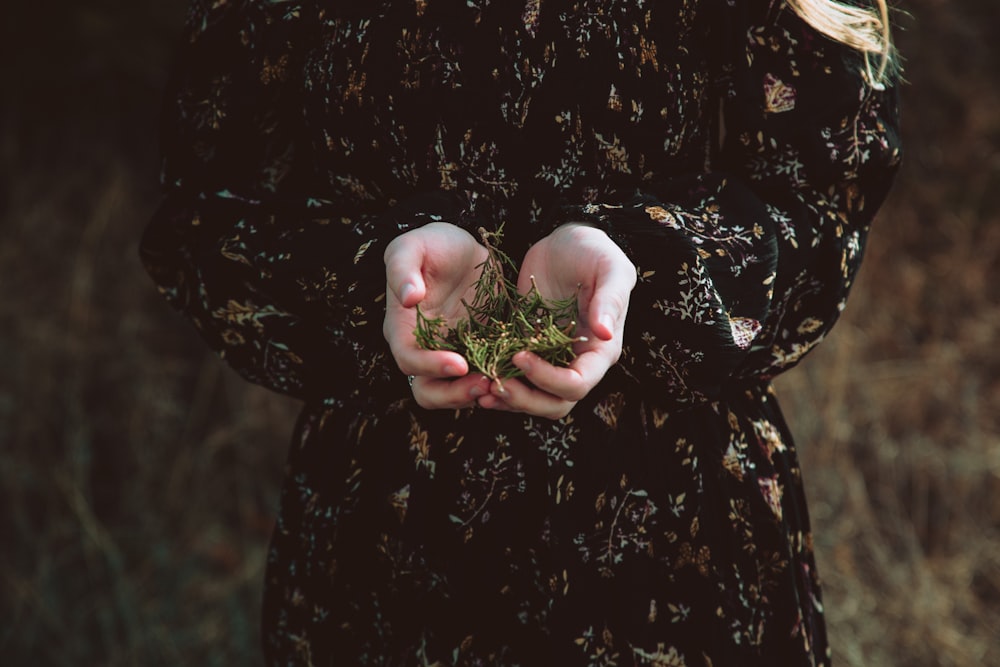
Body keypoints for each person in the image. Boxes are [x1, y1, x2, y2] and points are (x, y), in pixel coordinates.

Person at [141, 0, 901, 664]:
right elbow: (206, 213)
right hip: (386, 556)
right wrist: (372, 275)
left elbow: (821, 206)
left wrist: (646, 270)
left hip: (680, 556)